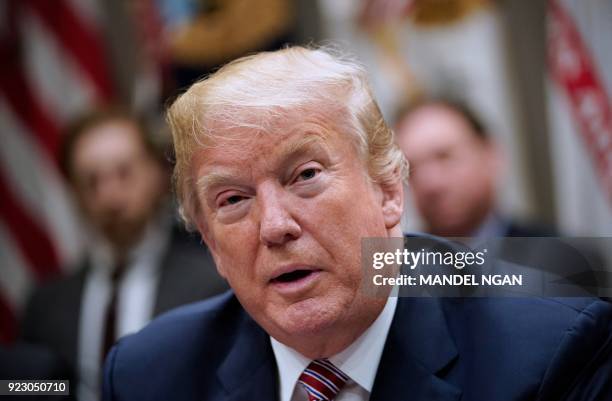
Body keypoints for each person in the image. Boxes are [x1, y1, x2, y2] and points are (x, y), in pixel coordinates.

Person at [102, 47, 612, 401]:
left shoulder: (551, 349)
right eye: (233, 199)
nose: (274, 226)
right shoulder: (150, 376)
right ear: (210, 241)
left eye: (305, 175)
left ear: (389, 190)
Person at [21, 109, 227, 401]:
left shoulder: (212, 286)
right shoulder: (46, 304)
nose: (110, 196)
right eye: (91, 180)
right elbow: (20, 386)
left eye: (124, 173)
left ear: (158, 175)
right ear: (74, 194)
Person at [395, 98, 555, 238]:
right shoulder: (394, 268)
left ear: (490, 155)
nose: (430, 182)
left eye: (444, 157)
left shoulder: (559, 262)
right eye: (411, 168)